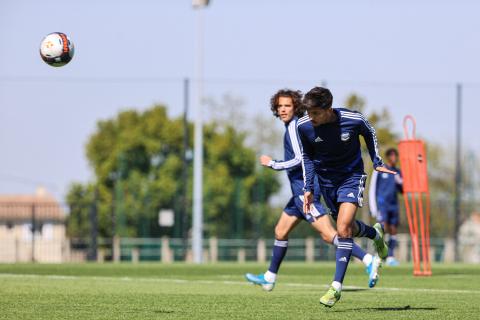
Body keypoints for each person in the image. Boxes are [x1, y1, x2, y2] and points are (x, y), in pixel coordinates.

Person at [245, 89, 381, 292]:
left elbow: (301, 158)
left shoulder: (295, 127)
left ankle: (368, 259)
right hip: (296, 193)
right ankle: (269, 277)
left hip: (306, 192)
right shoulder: (295, 126)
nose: (283, 110)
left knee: (331, 234)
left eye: (288, 106)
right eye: (280, 106)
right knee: (280, 231)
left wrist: (273, 164)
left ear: (296, 107)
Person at [298, 87, 394, 307]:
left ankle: (336, 287)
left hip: (352, 176)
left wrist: (377, 161)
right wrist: (308, 187)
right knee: (346, 227)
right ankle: (374, 234)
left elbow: (369, 131)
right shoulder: (304, 127)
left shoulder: (352, 119)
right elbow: (307, 157)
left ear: (328, 109)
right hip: (326, 182)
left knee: (342, 228)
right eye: (308, 112)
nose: (310, 117)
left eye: (315, 113)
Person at [369, 148, 403, 266]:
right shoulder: (380, 169)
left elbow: (402, 190)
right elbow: (372, 189)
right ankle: (379, 254)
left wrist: (401, 182)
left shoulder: (398, 172)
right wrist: (374, 208)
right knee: (382, 228)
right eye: (392, 156)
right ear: (388, 157)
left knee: (393, 229)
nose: (394, 158)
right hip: (382, 204)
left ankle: (391, 256)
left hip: (394, 205)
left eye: (396, 156)